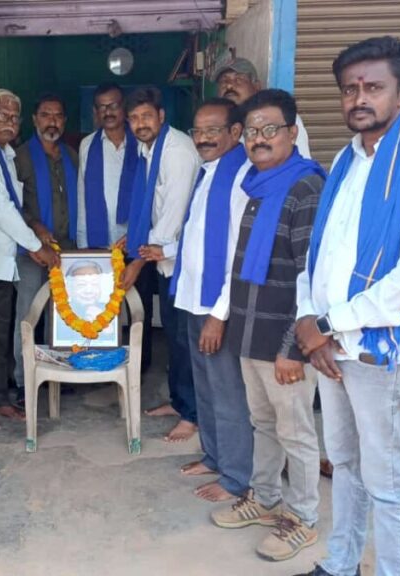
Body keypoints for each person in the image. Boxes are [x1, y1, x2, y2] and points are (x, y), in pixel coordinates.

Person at [293, 37, 400, 576]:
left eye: (373, 87)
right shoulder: (345, 161)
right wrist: (308, 319)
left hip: (377, 351)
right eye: (350, 89)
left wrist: (326, 325)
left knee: (387, 478)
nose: (359, 98)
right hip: (329, 344)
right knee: (344, 464)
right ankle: (341, 563)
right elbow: (318, 255)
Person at [214, 89, 325, 562]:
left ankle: (303, 518)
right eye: (252, 131)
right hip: (249, 331)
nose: (260, 139)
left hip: (285, 339)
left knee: (295, 431)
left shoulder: (305, 188)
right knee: (263, 422)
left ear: (292, 132)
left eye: (270, 129)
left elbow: (311, 277)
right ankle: (264, 498)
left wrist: (293, 348)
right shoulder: (256, 187)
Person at [151, 97, 249, 501]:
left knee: (227, 395)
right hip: (192, 299)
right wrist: (167, 254)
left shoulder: (241, 177)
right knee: (206, 389)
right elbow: (198, 240)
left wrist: (219, 316)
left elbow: (238, 255)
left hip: (215, 307)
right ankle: (214, 456)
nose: (204, 138)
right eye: (198, 131)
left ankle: (237, 477)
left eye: (213, 130)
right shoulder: (209, 172)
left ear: (235, 133)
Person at [0, 89, 57, 430]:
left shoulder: (5, 153)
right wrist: (36, 246)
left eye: (13, 117)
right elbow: (1, 209)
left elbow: (14, 207)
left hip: (4, 261)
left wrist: (33, 231)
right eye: (1, 116)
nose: (8, 122)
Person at [122, 86, 200, 443]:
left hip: (181, 257)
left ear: (162, 116)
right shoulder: (147, 149)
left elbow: (174, 211)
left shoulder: (178, 151)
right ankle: (179, 401)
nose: (141, 124)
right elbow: (151, 206)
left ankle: (193, 415)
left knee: (185, 339)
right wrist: (137, 239)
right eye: (135, 118)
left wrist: (138, 260)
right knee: (174, 333)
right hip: (165, 256)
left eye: (147, 117)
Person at [77, 82, 156, 374]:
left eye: (114, 105)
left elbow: (152, 195)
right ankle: (100, 360)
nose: (108, 112)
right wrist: (85, 244)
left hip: (135, 241)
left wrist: (140, 233)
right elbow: (83, 195)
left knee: (139, 306)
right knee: (98, 305)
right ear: (95, 112)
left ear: (124, 108)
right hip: (100, 241)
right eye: (102, 107)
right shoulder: (88, 145)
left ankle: (140, 364)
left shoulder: (144, 143)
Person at [13, 94, 79, 381]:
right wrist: (35, 227)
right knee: (28, 314)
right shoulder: (20, 157)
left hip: (67, 249)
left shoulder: (72, 156)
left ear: (64, 121)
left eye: (57, 115)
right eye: (45, 114)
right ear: (34, 120)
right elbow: (11, 205)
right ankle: (22, 378)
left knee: (63, 315)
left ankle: (60, 376)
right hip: (31, 249)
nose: (52, 121)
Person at [213, 57, 312, 158]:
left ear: (257, 86)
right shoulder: (213, 126)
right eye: (223, 81)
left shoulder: (282, 118)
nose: (229, 86)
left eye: (238, 79)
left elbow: (300, 162)